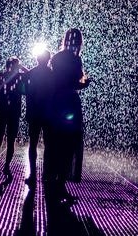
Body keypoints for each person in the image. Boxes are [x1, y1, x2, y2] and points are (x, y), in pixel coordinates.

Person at [48, 28, 90, 204]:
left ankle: (52, 182)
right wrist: (85, 84)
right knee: (70, 145)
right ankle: (60, 184)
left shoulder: (56, 58)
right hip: (70, 103)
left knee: (55, 143)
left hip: (56, 103)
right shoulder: (75, 59)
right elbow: (76, 83)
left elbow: (54, 81)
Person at [0, 56, 26, 176]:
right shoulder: (20, 77)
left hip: (1, 110)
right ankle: (7, 167)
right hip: (14, 112)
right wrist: (22, 68)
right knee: (11, 141)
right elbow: (32, 76)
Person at [23, 49, 54, 187]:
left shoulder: (32, 73)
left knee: (33, 144)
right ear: (48, 59)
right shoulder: (52, 74)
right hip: (48, 113)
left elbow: (23, 87)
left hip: (34, 112)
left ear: (37, 59)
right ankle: (46, 175)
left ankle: (33, 174)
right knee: (48, 145)